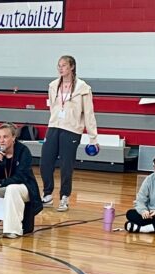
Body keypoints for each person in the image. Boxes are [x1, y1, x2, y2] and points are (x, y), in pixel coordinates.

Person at [40, 55, 98, 212]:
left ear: (72, 67)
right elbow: (53, 107)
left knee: (66, 166)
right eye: (58, 65)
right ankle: (47, 194)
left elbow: (89, 114)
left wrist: (93, 137)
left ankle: (64, 197)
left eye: (64, 65)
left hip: (72, 130)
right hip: (53, 126)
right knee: (45, 162)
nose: (60, 68)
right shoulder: (53, 85)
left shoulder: (83, 88)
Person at [0, 123, 43, 238]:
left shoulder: (23, 151)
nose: (2, 140)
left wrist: (0, 183)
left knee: (12, 188)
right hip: (5, 186)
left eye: (5, 137)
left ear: (13, 137)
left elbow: (21, 176)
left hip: (24, 188)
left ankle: (12, 230)